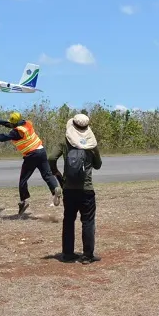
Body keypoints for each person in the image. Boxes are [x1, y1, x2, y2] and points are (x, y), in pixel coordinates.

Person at [47, 113, 103, 264]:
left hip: (69, 189)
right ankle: (87, 256)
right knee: (88, 221)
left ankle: (67, 254)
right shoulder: (92, 144)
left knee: (68, 220)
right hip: (87, 189)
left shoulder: (65, 141)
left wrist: (57, 174)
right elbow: (98, 165)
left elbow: (51, 158)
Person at [0, 111, 63, 215]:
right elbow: (6, 123)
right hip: (41, 151)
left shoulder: (16, 132)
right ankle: (55, 189)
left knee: (23, 180)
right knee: (47, 174)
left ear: (14, 123)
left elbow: (4, 137)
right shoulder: (26, 123)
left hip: (31, 155)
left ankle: (24, 201)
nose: (10, 124)